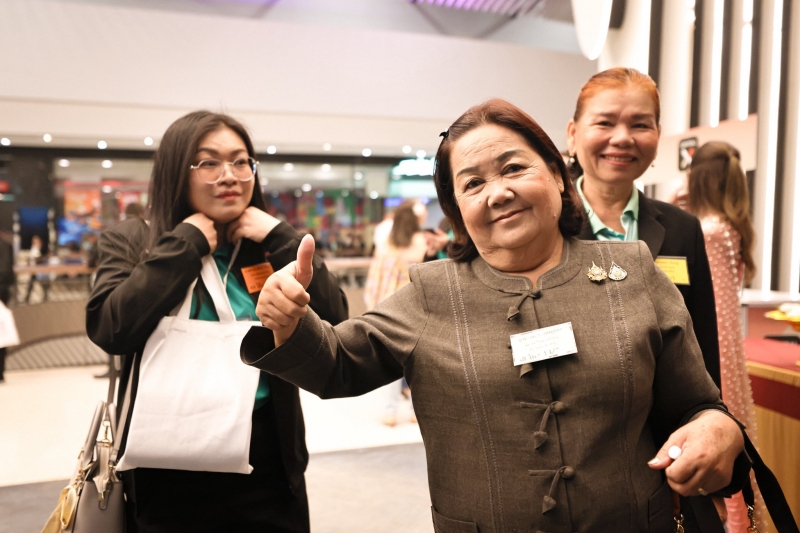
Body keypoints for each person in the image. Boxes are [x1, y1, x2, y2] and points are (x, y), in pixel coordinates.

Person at [242, 99, 750, 532]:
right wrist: (289, 321)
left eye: (513, 168)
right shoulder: (431, 293)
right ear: (457, 208)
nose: (498, 192)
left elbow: (698, 404)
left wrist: (718, 428)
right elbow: (336, 365)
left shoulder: (632, 271)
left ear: (557, 175)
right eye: (472, 183)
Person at [87, 110, 348, 533]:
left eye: (241, 161)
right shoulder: (135, 240)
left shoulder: (265, 247)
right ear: (177, 171)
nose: (229, 176)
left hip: (266, 462)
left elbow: (338, 324)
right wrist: (185, 244)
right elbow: (110, 329)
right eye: (209, 162)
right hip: (163, 465)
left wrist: (280, 236)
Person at [566, 67, 722, 390]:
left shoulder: (683, 229)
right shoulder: (547, 225)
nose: (623, 138)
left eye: (640, 125)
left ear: (657, 136)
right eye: (605, 123)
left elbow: (701, 343)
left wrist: (710, 409)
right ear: (573, 134)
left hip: (666, 413)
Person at [687, 141, 766, 532]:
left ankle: (734, 524)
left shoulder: (708, 230)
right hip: (728, 344)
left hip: (712, 344)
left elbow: (709, 305)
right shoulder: (727, 226)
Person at [363, 199, 428, 426]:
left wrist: (373, 308)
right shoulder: (420, 241)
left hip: (389, 309)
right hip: (415, 309)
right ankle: (415, 411)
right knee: (417, 363)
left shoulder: (387, 243)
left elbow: (375, 280)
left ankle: (390, 412)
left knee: (391, 362)